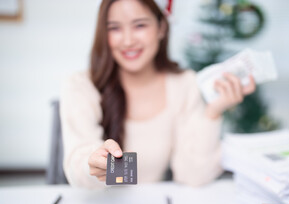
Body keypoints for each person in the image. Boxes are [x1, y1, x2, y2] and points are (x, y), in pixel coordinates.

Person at [60, 0, 256, 188]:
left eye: (139, 25)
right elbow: (77, 168)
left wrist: (213, 112)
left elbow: (193, 176)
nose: (128, 41)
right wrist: (93, 165)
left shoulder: (184, 84)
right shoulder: (81, 85)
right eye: (114, 28)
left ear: (162, 27)